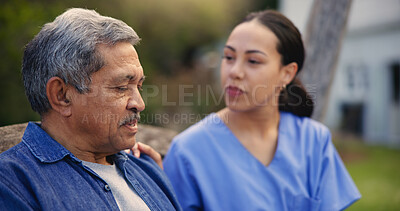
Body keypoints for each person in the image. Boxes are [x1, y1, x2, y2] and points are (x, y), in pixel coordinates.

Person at [163, 10, 361, 210]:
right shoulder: (188, 151)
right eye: (229, 57)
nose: (235, 72)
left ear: (287, 73)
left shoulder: (314, 141)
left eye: (253, 61)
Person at [0, 8, 180, 210]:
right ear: (62, 95)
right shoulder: (12, 182)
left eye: (138, 86)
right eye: (121, 88)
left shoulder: (148, 171)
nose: (139, 104)